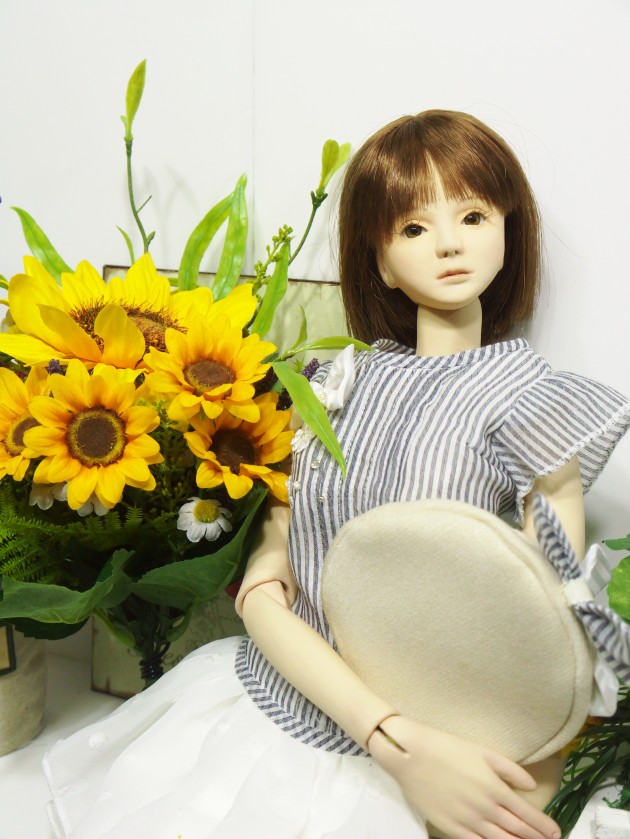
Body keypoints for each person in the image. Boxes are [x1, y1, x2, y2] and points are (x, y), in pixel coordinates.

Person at [44, 111, 630, 839]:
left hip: (437, 738)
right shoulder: (333, 385)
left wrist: (506, 771)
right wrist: (386, 734)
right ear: (380, 260)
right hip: (280, 705)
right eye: (413, 227)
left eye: (473, 215)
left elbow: (546, 638)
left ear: (509, 229)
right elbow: (267, 593)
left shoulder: (534, 404)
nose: (449, 242)